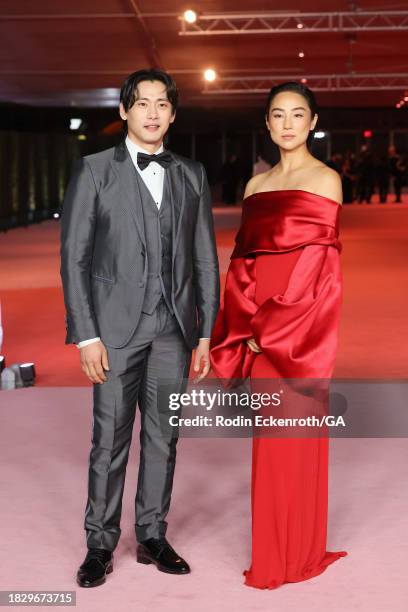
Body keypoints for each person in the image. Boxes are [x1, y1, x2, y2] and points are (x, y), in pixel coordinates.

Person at [60, 69, 220, 587]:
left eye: (162, 104)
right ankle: (99, 544)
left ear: (173, 114)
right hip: (112, 330)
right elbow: (74, 259)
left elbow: (205, 258)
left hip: (173, 330)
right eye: (142, 103)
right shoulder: (94, 171)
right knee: (108, 440)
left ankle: (152, 534)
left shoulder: (191, 174)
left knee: (163, 437)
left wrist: (204, 333)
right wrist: (86, 335)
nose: (152, 113)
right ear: (125, 111)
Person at [210, 81, 347, 589]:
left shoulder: (326, 180)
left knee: (296, 435)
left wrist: (267, 329)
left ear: (312, 122)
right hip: (256, 331)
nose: (287, 124)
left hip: (296, 333)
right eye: (277, 115)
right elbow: (241, 266)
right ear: (267, 124)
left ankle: (299, 551)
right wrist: (243, 324)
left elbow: (318, 269)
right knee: (270, 442)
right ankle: (277, 550)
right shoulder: (255, 187)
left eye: (297, 115)